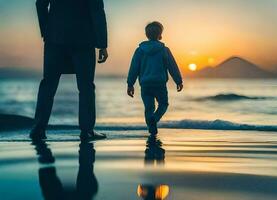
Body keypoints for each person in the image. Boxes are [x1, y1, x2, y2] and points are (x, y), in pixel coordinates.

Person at [30, 0, 108, 141]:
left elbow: (40, 4)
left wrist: (46, 30)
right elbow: (97, 11)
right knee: (86, 87)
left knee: (48, 84)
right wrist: (102, 44)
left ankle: (38, 128)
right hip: (83, 39)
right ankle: (87, 130)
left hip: (55, 37)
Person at [127, 21, 183, 135]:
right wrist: (178, 80)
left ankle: (151, 128)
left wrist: (130, 84)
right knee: (163, 104)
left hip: (145, 84)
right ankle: (155, 119)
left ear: (146, 35)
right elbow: (172, 66)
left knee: (149, 108)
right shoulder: (164, 50)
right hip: (159, 84)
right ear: (160, 35)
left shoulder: (140, 50)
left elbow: (134, 67)